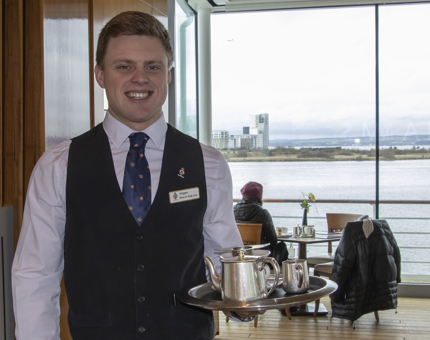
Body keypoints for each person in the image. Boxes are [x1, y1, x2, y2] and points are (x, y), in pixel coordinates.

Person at [11, 11, 248, 340]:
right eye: (124, 66)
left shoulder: (208, 164)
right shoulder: (58, 166)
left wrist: (245, 303)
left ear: (168, 75)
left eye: (153, 66)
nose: (140, 78)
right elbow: (36, 275)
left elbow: (225, 259)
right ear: (100, 75)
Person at [234, 181, 289, 264]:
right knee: (282, 246)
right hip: (261, 257)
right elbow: (273, 240)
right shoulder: (262, 213)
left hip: (240, 256)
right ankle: (276, 274)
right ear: (259, 197)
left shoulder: (232, 211)